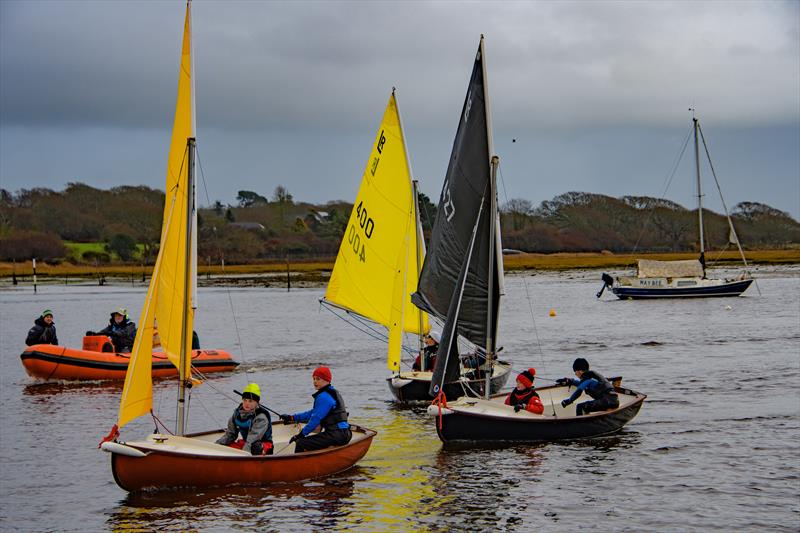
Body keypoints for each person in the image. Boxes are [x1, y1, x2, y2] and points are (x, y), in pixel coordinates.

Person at [280, 366, 351, 453]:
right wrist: (292, 417)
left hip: (337, 434)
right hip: (344, 433)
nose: (315, 381)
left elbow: (315, 419)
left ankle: (299, 465)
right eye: (313, 379)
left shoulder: (324, 397)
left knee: (300, 443)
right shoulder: (330, 393)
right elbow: (312, 413)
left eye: (318, 379)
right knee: (309, 440)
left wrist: (300, 435)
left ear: (327, 380)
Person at [215, 382, 273, 455]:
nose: (247, 403)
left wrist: (244, 454)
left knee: (256, 447)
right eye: (245, 400)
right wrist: (217, 446)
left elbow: (253, 438)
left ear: (257, 403)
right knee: (226, 446)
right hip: (246, 443)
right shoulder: (237, 414)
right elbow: (230, 434)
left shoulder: (261, 417)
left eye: (250, 401)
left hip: (262, 445)